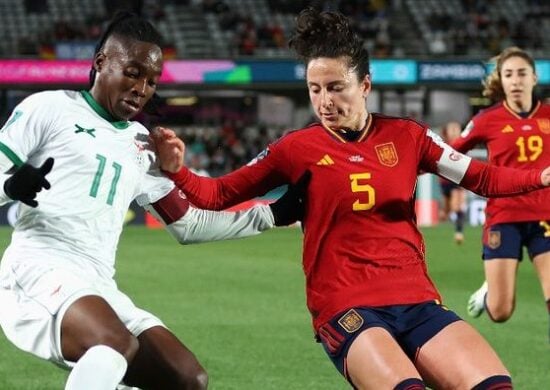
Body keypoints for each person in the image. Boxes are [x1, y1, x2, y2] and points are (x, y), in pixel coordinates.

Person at [152, 9, 550, 390]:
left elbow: (479, 176)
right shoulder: (295, 149)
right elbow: (217, 194)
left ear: (365, 85)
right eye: (315, 89)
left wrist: (540, 176)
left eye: (336, 87)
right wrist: (177, 170)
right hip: (347, 306)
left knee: (494, 384)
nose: (324, 101)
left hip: (416, 298)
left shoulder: (409, 137)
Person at [0, 12, 300, 390]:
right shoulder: (49, 108)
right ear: (100, 63)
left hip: (98, 281)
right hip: (38, 266)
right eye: (132, 72)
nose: (141, 88)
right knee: (113, 346)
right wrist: (10, 187)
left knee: (187, 378)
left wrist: (271, 214)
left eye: (151, 81)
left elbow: (190, 224)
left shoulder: (141, 143)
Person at [449, 47, 550, 337]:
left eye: (521, 73)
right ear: (501, 81)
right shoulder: (486, 119)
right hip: (504, 216)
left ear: (534, 77)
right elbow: (449, 154)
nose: (516, 80)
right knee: (501, 312)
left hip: (546, 215)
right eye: (509, 75)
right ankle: (488, 292)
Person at [439, 121, 468, 244]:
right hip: (445, 181)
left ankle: (459, 232)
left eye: (457, 128)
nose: (455, 131)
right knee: (446, 210)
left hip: (458, 180)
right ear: (447, 131)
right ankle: (438, 227)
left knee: (457, 206)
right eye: (452, 129)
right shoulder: (442, 144)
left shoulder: (464, 144)